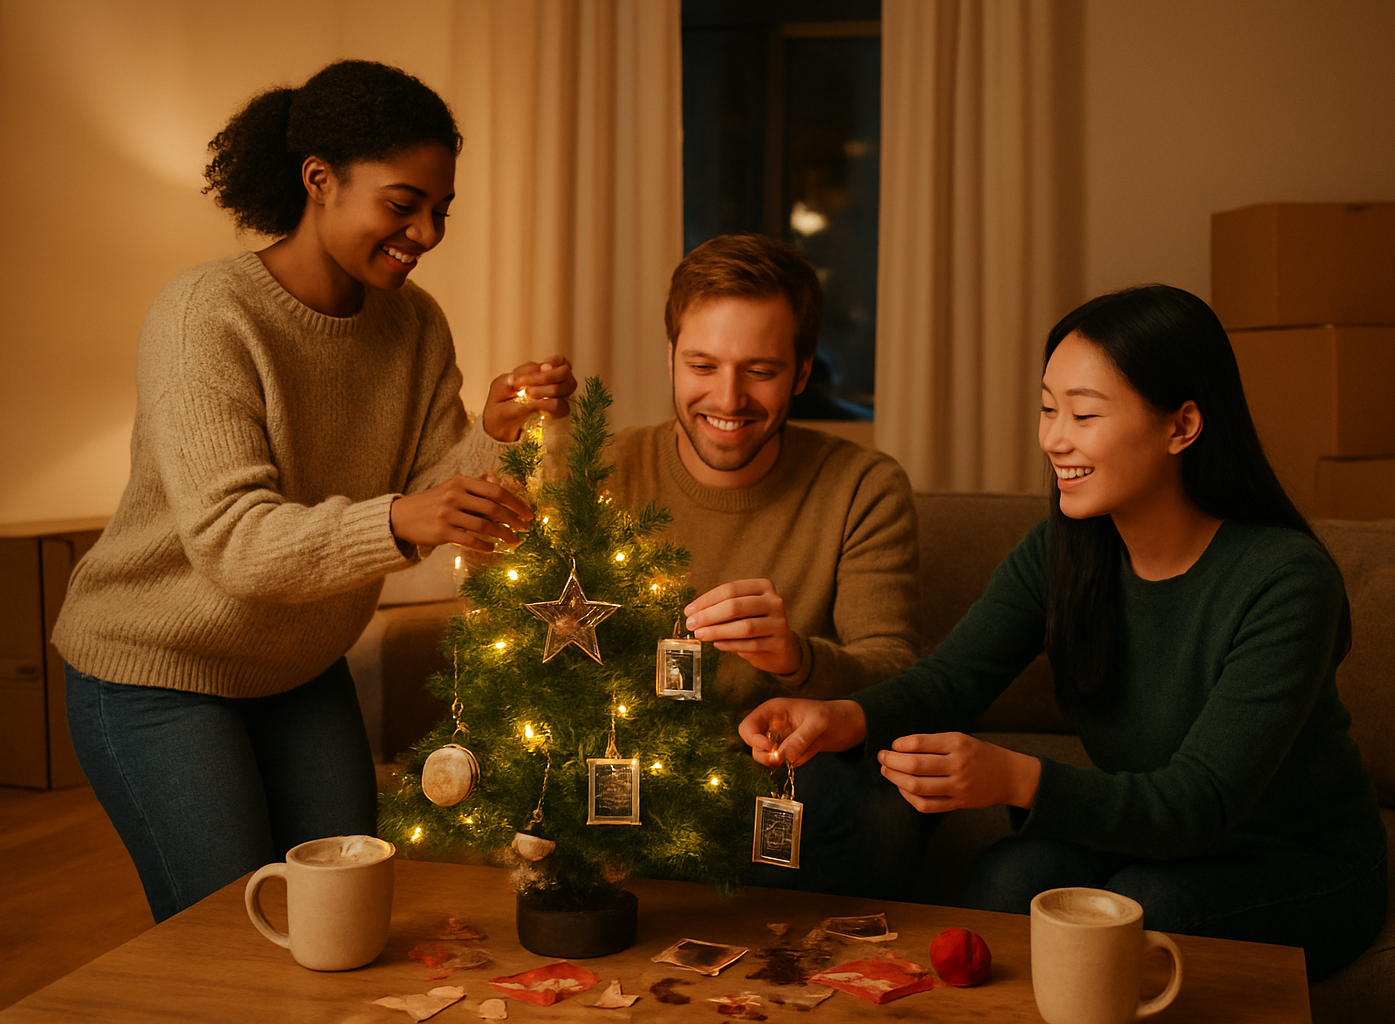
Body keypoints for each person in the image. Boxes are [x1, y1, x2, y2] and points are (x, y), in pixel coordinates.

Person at [740, 284, 1389, 981]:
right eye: (1049, 409)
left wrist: (1014, 777)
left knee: (1145, 907)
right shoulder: (1065, 548)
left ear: (1182, 425)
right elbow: (952, 680)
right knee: (1010, 878)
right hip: (1143, 838)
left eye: (1084, 413)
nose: (1053, 438)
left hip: (1291, 860)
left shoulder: (1285, 580)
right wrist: (841, 716)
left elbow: (1197, 805)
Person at [51, 60, 575, 922]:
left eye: (441, 210)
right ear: (319, 180)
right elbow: (233, 541)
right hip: (159, 672)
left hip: (299, 665)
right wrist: (405, 516)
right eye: (403, 204)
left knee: (346, 914)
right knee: (233, 932)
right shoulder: (205, 314)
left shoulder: (415, 323)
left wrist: (494, 428)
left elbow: (434, 496)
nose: (426, 232)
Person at [603, 233, 926, 897]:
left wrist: (795, 660)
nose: (728, 399)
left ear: (802, 373)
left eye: (760, 370)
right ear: (670, 360)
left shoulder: (863, 486)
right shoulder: (603, 472)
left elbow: (897, 673)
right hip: (630, 766)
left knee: (877, 801)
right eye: (702, 365)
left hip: (787, 776)